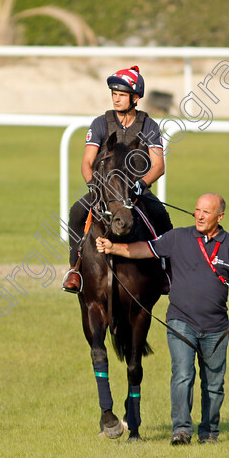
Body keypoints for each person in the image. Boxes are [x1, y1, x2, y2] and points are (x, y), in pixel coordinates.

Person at [95, 193, 229, 445]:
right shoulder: (178, 237)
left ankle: (209, 432)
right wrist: (114, 248)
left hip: (216, 327)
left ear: (219, 217)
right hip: (181, 323)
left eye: (206, 212)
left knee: (214, 384)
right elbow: (145, 249)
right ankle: (181, 430)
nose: (199, 215)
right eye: (197, 210)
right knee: (182, 376)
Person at [61, 65, 172, 294]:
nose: (116, 99)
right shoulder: (100, 123)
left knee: (162, 217)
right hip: (105, 191)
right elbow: (86, 163)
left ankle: (166, 271)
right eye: (114, 94)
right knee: (76, 212)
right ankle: (75, 268)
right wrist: (93, 185)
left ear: (135, 97)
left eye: (121, 95)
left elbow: (159, 166)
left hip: (137, 191)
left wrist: (142, 184)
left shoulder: (149, 126)